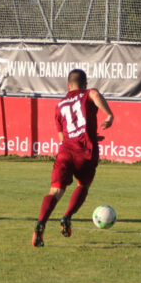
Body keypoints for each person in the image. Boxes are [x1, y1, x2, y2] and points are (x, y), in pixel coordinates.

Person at [32, 68, 114, 247]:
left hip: (65, 152)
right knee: (83, 185)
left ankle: (41, 223)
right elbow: (95, 94)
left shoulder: (60, 105)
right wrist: (109, 115)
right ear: (84, 84)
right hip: (85, 152)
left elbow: (62, 137)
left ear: (68, 86)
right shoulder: (87, 93)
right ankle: (67, 216)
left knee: (55, 191)